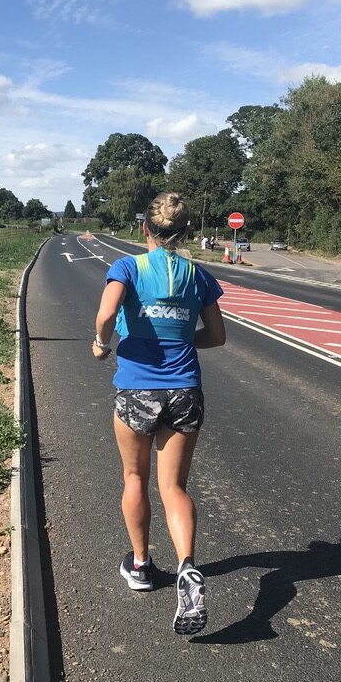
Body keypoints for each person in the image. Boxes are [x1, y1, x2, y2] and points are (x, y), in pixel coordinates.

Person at [91, 192, 227, 635]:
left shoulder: (128, 267)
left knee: (135, 478)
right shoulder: (198, 275)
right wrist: (182, 343)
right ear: (186, 232)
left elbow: (107, 312)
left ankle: (142, 565)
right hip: (185, 389)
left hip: (137, 388)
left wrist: (101, 343)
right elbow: (218, 336)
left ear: (145, 230)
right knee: (174, 486)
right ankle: (187, 566)